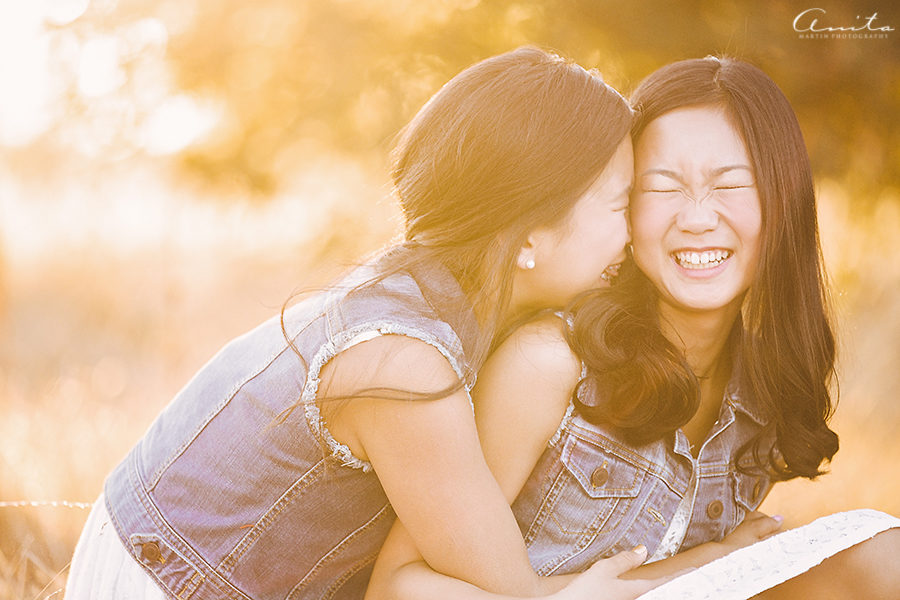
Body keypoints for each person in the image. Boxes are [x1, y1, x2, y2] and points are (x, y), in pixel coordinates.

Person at [64, 47, 660, 600]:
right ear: (530, 232)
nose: (633, 235)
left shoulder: (429, 295)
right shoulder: (403, 362)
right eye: (618, 205)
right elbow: (505, 588)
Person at [366, 56, 900, 599]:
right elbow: (396, 588)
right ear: (622, 206)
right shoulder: (551, 364)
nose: (696, 218)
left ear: (783, 202)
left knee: (883, 554)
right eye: (661, 187)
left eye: (730, 186)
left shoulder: (763, 391)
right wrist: (712, 560)